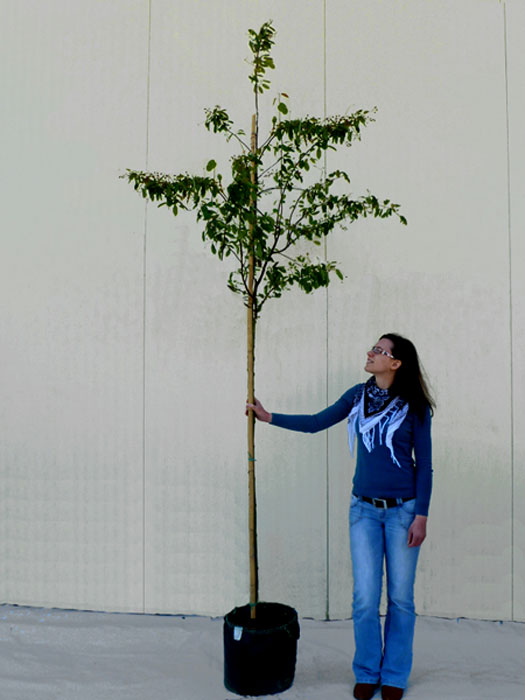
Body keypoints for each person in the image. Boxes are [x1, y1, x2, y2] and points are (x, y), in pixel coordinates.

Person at [246, 333, 434, 700]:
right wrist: (269, 418)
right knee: (365, 598)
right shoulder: (357, 395)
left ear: (396, 364)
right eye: (373, 348)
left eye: (380, 351)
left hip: (403, 513)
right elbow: (317, 421)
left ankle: (394, 676)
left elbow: (424, 466)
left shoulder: (415, 406)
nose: (371, 353)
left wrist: (421, 516)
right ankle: (367, 670)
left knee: (400, 599)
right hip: (363, 510)